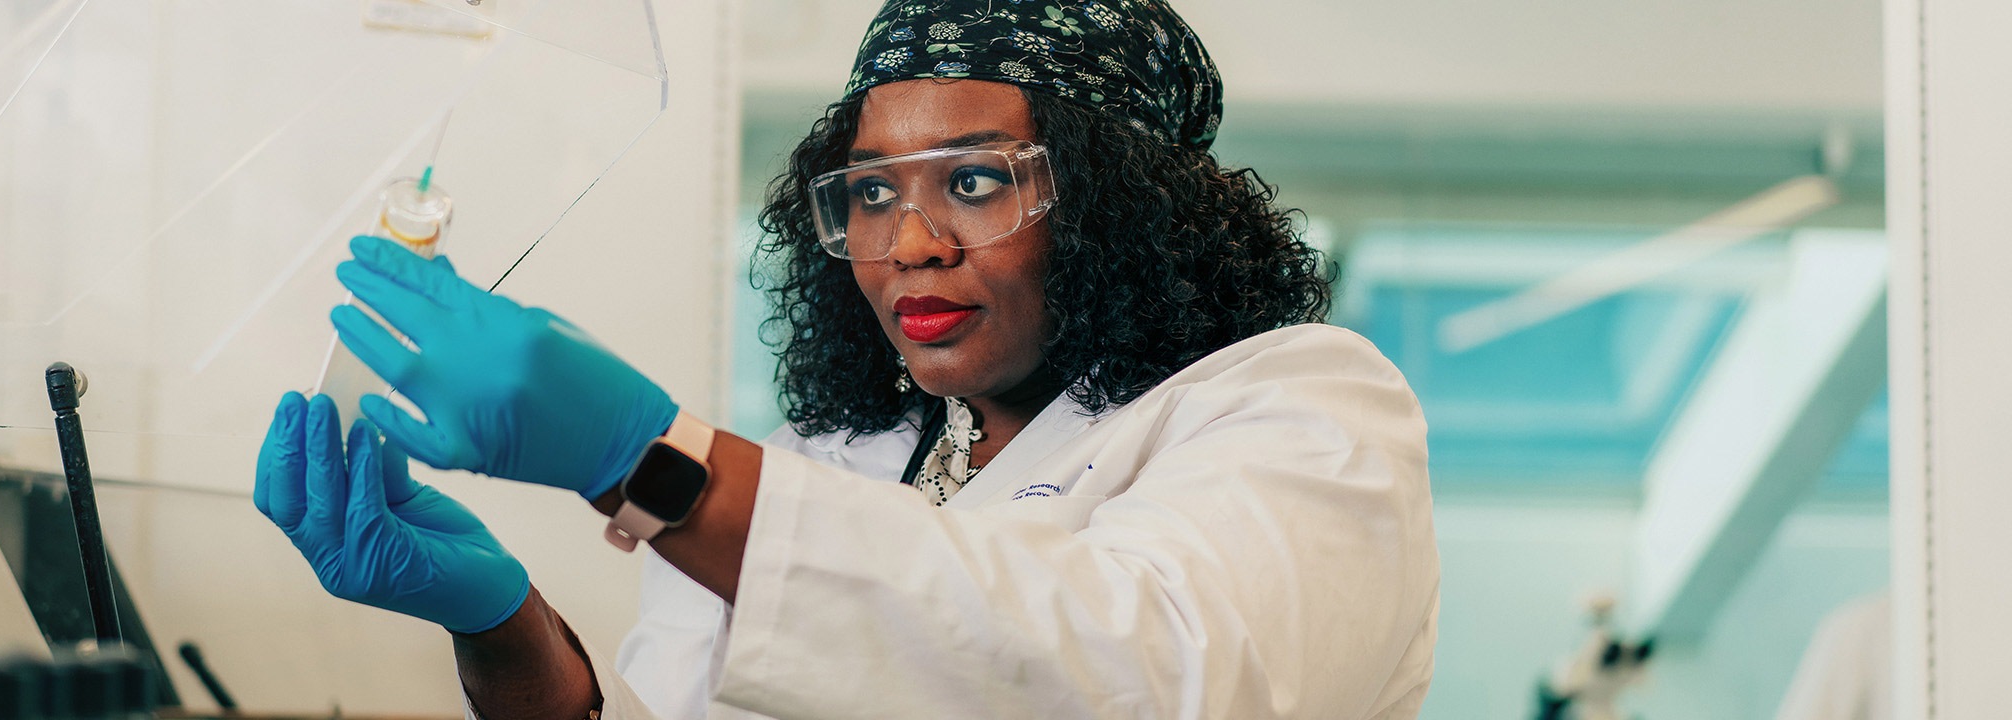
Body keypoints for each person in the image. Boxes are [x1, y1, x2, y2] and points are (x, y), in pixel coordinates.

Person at [253, 1, 1439, 717]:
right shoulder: (837, 460)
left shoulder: (1296, 408)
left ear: (1125, 206)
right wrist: (505, 625)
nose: (910, 243)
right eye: (871, 193)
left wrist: (651, 465)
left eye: (975, 182)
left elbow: (1150, 682)